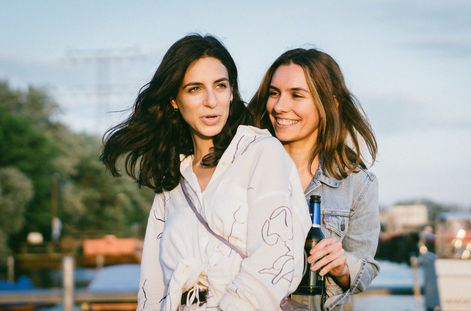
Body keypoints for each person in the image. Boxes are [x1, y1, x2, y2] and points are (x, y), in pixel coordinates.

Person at [100, 34, 311, 311]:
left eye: (220, 86)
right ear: (174, 100)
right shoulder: (173, 180)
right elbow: (153, 282)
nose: (211, 101)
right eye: (194, 89)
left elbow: (274, 260)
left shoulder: (261, 152)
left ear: (231, 92)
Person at [249, 48, 380, 311]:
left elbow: (366, 270)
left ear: (330, 103)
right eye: (274, 93)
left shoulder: (358, 184)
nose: (279, 106)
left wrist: (342, 267)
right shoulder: (247, 166)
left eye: (296, 95)